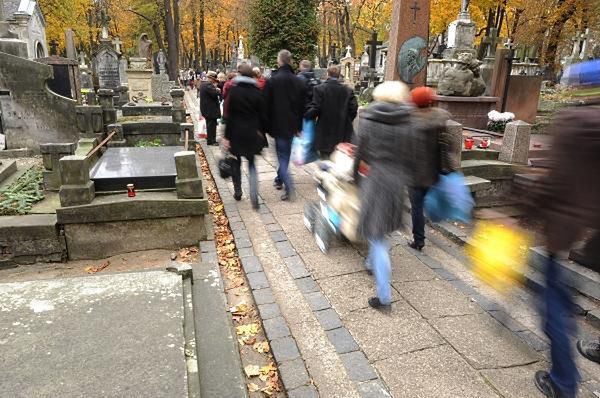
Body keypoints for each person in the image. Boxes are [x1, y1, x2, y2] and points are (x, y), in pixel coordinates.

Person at [531, 85, 600, 397]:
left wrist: (523, 212)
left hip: (561, 227)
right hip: (587, 223)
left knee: (550, 307)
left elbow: (554, 182)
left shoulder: (575, 123)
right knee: (557, 290)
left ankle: (563, 382)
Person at [352, 81, 414, 309]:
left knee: (377, 237)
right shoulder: (408, 121)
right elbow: (411, 155)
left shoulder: (368, 119)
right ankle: (370, 261)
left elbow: (361, 151)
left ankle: (384, 296)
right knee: (380, 229)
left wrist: (355, 175)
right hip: (396, 180)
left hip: (376, 178)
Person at [407, 87, 456, 251]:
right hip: (434, 172)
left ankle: (419, 240)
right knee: (429, 201)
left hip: (414, 174)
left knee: (416, 208)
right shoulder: (439, 120)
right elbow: (449, 145)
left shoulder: (409, 121)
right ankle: (434, 220)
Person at [222, 64, 267, 210]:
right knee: (252, 164)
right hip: (252, 134)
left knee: (236, 162)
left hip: (235, 133)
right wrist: (261, 131)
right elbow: (263, 115)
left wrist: (226, 136)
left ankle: (238, 191)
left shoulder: (234, 92)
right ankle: (254, 196)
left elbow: (228, 114)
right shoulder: (257, 92)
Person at [264, 50, 305, 201]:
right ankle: (280, 179)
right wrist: (299, 127)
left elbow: (266, 105)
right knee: (285, 155)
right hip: (292, 125)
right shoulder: (298, 81)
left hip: (277, 125)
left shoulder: (272, 80)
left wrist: (266, 127)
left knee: (282, 156)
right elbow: (302, 107)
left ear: (280, 61)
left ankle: (288, 184)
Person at [305, 65, 358, 159]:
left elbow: (316, 108)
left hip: (325, 131)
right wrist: (347, 120)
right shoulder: (348, 91)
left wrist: (306, 115)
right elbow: (353, 108)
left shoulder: (319, 89)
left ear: (327, 74)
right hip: (343, 131)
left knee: (325, 160)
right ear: (338, 75)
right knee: (341, 160)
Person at [199, 71, 221, 146]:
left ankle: (210, 138)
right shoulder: (208, 84)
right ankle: (211, 141)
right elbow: (215, 93)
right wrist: (218, 90)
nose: (214, 82)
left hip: (207, 108)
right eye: (214, 80)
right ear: (211, 78)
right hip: (210, 109)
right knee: (211, 125)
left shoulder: (203, 84)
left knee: (210, 124)